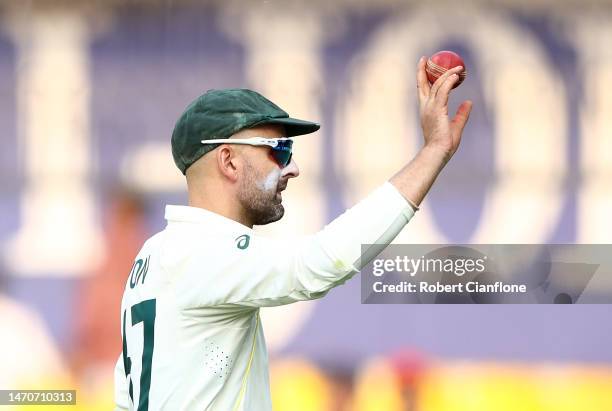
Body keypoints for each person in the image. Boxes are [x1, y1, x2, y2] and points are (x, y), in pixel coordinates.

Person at [114, 58, 472, 410]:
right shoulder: (205, 251)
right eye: (280, 151)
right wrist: (433, 152)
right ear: (229, 161)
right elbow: (318, 264)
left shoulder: (156, 251)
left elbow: (125, 399)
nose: (293, 168)